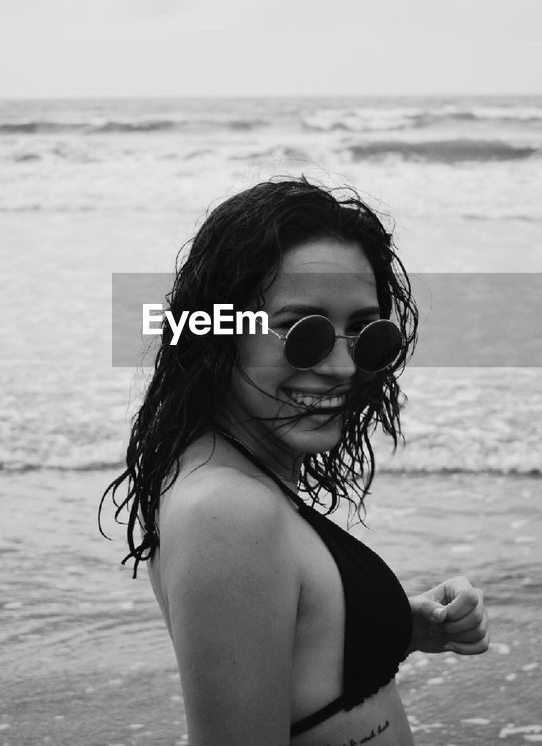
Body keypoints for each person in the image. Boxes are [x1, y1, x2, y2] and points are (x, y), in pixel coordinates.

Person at [102, 178, 489, 745]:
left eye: (364, 332)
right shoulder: (228, 510)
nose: (340, 366)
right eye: (300, 332)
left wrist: (395, 624)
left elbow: (292, 664)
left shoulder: (230, 476)